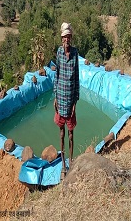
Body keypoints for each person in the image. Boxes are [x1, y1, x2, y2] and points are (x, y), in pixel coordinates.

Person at [53, 22, 79, 178]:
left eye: (68, 37)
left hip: (70, 99)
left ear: (71, 38)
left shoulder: (75, 53)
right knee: (61, 132)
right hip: (60, 97)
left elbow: (76, 78)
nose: (66, 40)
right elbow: (56, 76)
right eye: (64, 37)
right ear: (61, 38)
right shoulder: (59, 53)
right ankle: (63, 163)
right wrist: (55, 96)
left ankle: (71, 160)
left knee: (71, 133)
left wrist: (75, 100)